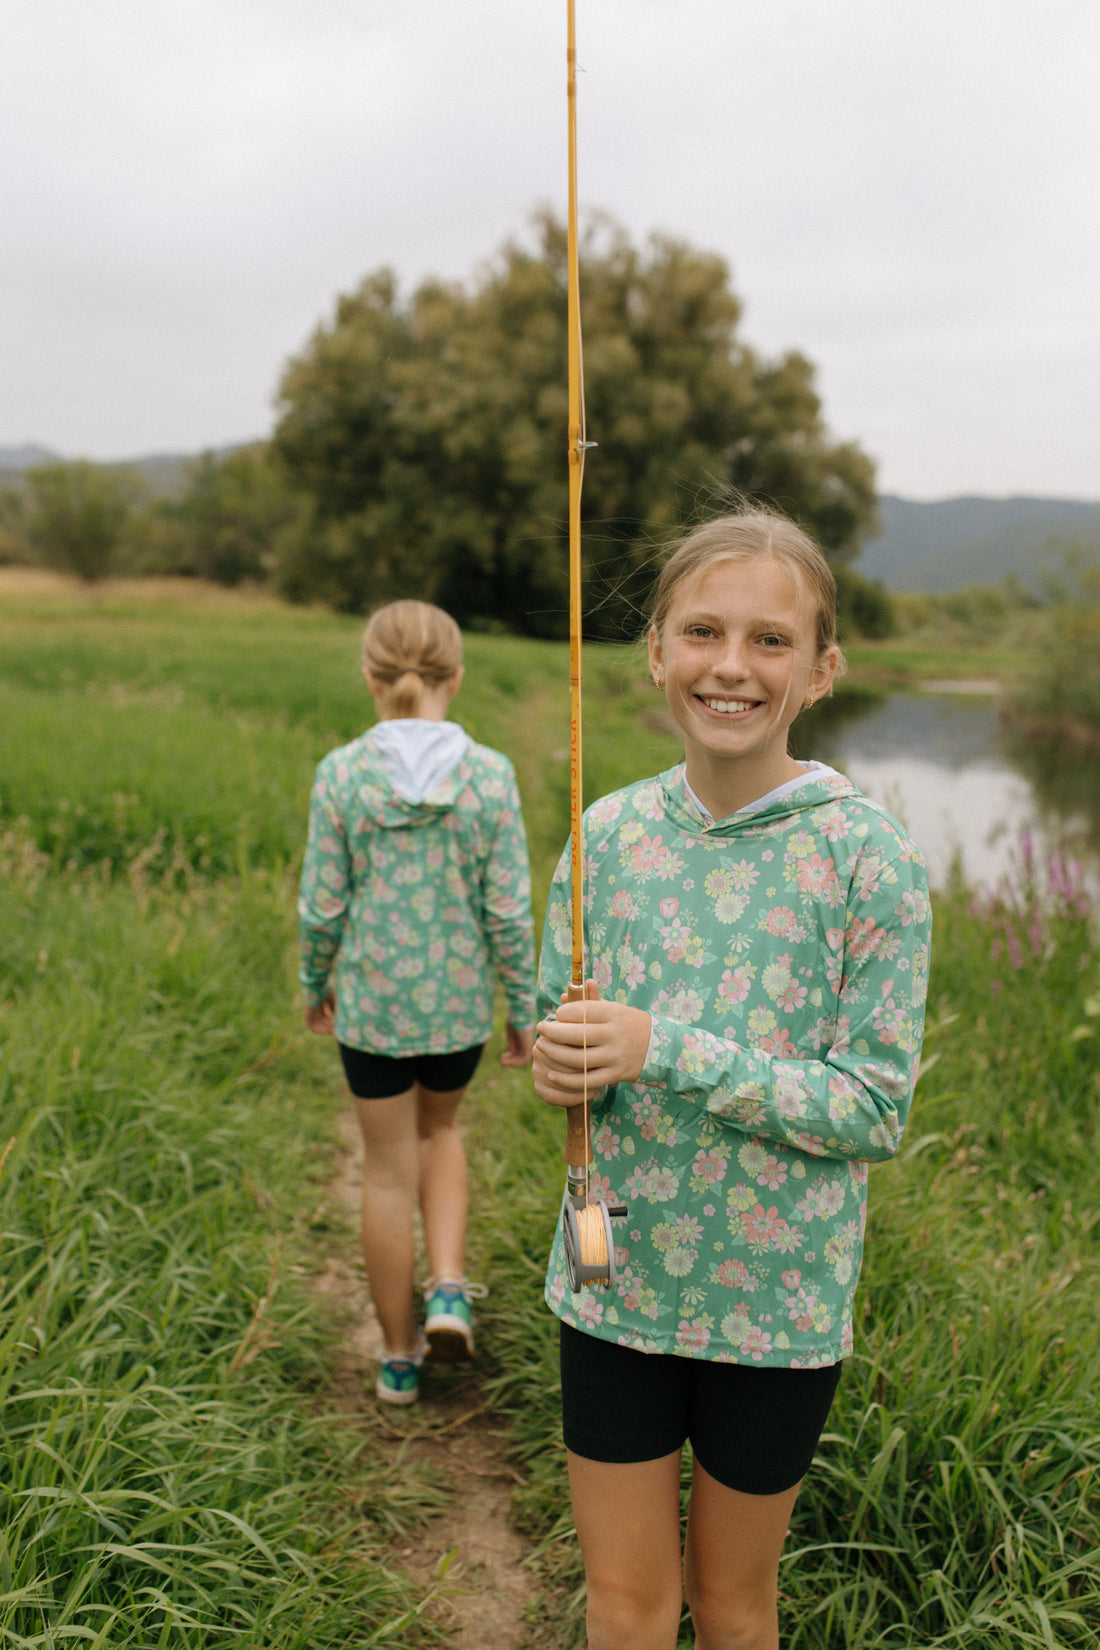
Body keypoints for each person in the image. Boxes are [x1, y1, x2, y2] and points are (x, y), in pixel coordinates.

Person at [533, 509, 932, 1650]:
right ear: (654, 649)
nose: (729, 666)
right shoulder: (602, 835)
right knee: (623, 1603)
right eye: (701, 631)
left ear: (820, 669)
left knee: (735, 1606)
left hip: (778, 1306)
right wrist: (564, 1070)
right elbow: (563, 1071)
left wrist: (665, 1049)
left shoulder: (869, 858)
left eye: (768, 641)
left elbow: (870, 1107)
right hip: (612, 1281)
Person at [299, 599, 536, 1405]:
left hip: (371, 1009)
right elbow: (507, 909)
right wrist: (523, 1005)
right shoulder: (491, 776)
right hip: (458, 1009)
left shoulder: (342, 774)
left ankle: (399, 1356)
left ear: (370, 677)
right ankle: (446, 1287)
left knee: (387, 1172)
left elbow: (321, 905)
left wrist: (313, 981)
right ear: (456, 678)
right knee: (442, 1132)